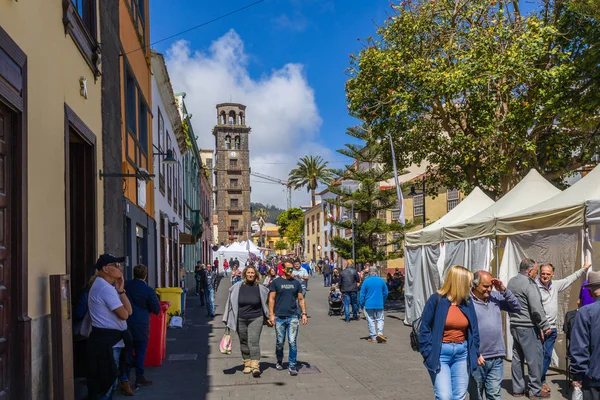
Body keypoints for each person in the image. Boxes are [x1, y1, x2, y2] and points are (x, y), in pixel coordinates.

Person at [419, 265, 482, 400]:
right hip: (440, 353)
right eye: (468, 282)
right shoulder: (436, 300)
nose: (471, 286)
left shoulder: (467, 302)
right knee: (444, 396)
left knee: (459, 396)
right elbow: (424, 328)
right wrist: (428, 352)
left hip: (462, 353)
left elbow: (474, 330)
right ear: (460, 282)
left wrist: (475, 351)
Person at [537, 258, 592, 393]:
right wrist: (539, 327)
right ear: (539, 273)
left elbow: (569, 279)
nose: (545, 276)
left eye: (548, 274)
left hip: (552, 328)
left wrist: (584, 269)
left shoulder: (555, 285)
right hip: (539, 328)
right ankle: (538, 382)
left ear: (552, 275)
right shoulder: (534, 287)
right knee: (538, 356)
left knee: (547, 356)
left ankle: (540, 380)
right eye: (543, 273)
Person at [86, 254, 133, 400]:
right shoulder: (104, 288)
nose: (120, 269)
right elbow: (124, 315)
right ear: (106, 269)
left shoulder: (108, 287)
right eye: (116, 265)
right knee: (105, 386)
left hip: (112, 342)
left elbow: (129, 311)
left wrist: (121, 291)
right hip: (108, 344)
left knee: (110, 384)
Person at [469, 271, 521, 400]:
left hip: (496, 355)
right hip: (478, 357)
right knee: (476, 394)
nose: (489, 289)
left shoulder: (495, 296)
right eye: (485, 286)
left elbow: (516, 307)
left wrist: (503, 290)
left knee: (494, 394)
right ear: (474, 285)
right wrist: (474, 352)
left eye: (490, 286)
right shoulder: (467, 301)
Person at [507, 258, 551, 398]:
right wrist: (545, 326)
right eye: (536, 271)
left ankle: (517, 389)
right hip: (528, 326)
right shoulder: (529, 283)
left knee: (517, 358)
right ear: (529, 271)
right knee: (534, 360)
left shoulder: (512, 282)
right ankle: (535, 391)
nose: (536, 274)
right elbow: (536, 308)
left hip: (514, 325)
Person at [223, 265, 271, 377]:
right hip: (240, 318)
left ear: (256, 275)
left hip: (256, 318)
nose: (250, 275)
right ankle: (247, 363)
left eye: (252, 273)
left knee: (253, 342)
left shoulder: (261, 288)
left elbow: (268, 302)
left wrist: (270, 316)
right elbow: (230, 303)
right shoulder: (237, 287)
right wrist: (227, 318)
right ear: (245, 274)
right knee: (243, 341)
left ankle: (255, 366)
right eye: (248, 273)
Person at [268, 259, 308, 376]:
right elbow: (271, 299)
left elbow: (301, 299)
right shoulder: (276, 282)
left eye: (292, 268)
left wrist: (304, 313)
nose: (290, 270)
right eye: (288, 268)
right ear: (283, 269)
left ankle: (292, 365)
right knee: (280, 342)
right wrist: (271, 314)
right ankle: (279, 360)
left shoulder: (296, 283)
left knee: (292, 341)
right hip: (279, 317)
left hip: (293, 317)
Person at [124, 265, 161, 388]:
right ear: (145, 275)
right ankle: (139, 377)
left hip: (125, 322)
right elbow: (156, 308)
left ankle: (125, 378)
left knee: (127, 351)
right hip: (141, 324)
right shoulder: (148, 290)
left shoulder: (126, 286)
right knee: (140, 351)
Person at [570, 270, 600, 400]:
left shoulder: (585, 312)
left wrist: (577, 375)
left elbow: (579, 347)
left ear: (590, 291)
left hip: (594, 378)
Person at [359, 266, 389, 343]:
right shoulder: (381, 281)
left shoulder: (366, 281)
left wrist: (361, 305)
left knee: (370, 320)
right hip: (379, 303)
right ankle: (380, 333)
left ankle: (373, 337)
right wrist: (383, 300)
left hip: (369, 304)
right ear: (376, 272)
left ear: (369, 273)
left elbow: (362, 294)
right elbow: (386, 292)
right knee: (380, 319)